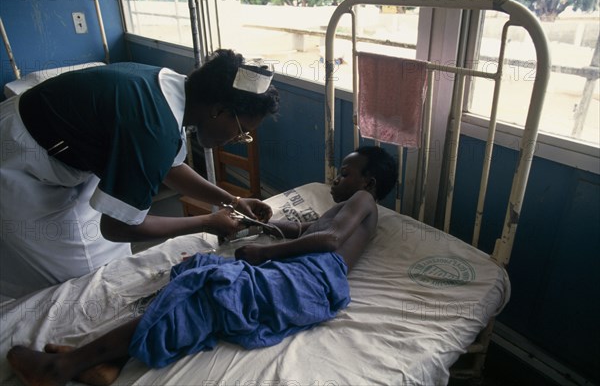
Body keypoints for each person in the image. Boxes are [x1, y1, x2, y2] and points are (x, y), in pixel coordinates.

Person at [6, 146, 398, 386]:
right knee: (199, 277)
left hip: (310, 280)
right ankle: (110, 361)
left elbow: (327, 241)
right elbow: (302, 230)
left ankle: (60, 369)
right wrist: (255, 224)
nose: (336, 177)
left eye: (345, 173)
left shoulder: (363, 202)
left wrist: (263, 254)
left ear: (370, 182)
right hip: (301, 274)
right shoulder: (342, 207)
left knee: (209, 290)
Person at [0, 49, 279, 299]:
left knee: (108, 266)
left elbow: (169, 168)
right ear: (219, 111)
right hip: (19, 162)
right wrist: (207, 222)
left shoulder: (173, 88)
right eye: (242, 132)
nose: (238, 139)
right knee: (74, 284)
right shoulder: (153, 128)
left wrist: (232, 200)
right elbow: (118, 227)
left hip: (60, 151)